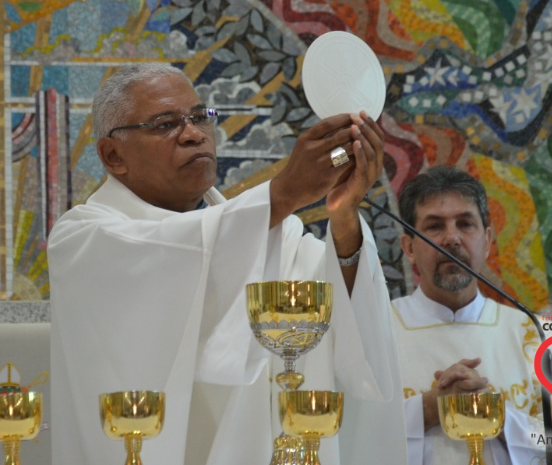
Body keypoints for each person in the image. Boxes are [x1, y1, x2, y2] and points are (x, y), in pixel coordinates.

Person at [47, 63, 407, 464]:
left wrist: (342, 218)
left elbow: (346, 330)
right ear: (113, 155)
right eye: (166, 124)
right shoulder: (82, 239)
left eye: (201, 117)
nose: (193, 134)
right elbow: (169, 256)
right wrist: (285, 191)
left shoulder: (273, 239)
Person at [389, 165, 545, 464]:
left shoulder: (532, 333)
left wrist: (496, 415)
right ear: (409, 247)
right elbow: (353, 434)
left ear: (487, 241)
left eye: (465, 223)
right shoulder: (377, 330)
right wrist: (429, 409)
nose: (451, 238)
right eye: (434, 226)